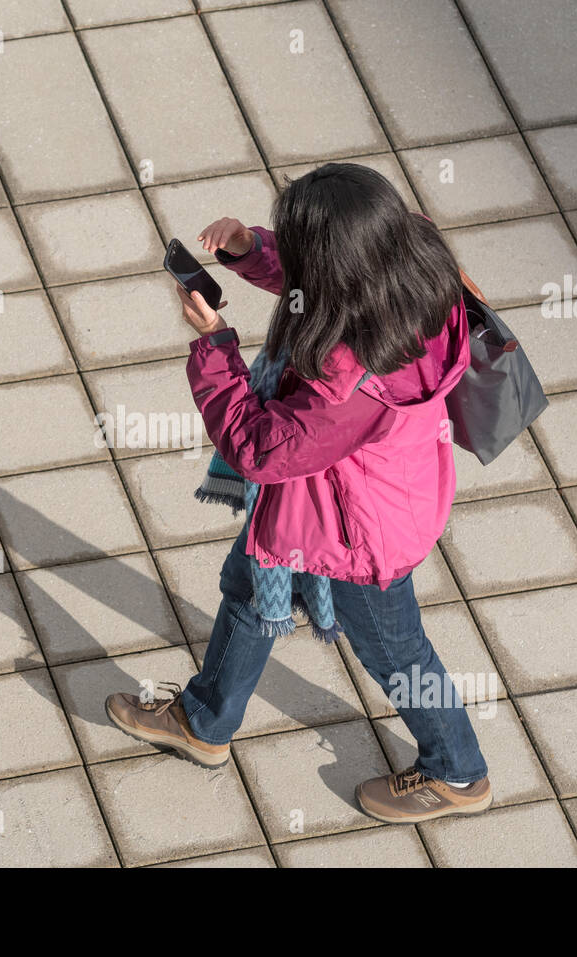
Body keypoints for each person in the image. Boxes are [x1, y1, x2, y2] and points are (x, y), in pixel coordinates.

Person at [105, 163, 492, 824]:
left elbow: (259, 448)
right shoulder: (416, 260)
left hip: (356, 535)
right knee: (251, 587)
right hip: (349, 496)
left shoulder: (349, 378)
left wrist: (215, 348)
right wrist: (251, 250)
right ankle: (205, 720)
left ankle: (458, 770)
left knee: (397, 653)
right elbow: (321, 279)